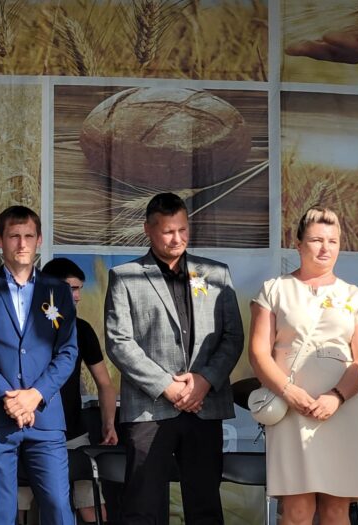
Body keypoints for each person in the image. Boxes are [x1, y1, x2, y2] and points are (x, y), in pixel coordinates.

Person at [104, 192, 244, 524]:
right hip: (150, 407)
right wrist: (167, 386)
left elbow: (232, 336)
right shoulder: (125, 276)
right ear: (148, 230)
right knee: (143, 506)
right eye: (168, 231)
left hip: (204, 405)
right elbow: (119, 342)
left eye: (183, 229)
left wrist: (205, 380)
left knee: (205, 505)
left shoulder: (216, 273)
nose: (177, 238)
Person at [248, 207, 358, 525]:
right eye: (317, 240)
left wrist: (337, 396)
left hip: (343, 408)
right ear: (298, 245)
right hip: (290, 407)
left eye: (332, 241)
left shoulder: (355, 295)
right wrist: (289, 391)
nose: (325, 248)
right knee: (296, 510)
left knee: (336, 509)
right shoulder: (274, 289)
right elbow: (258, 353)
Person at [0, 206, 78, 525]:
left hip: (45, 417)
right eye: (14, 236)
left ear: (39, 240)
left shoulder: (58, 290)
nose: (22, 244)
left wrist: (35, 395)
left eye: (28, 236)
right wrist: (7, 397)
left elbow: (67, 352)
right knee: (0, 513)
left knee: (58, 507)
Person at [18, 257, 118, 524]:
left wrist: (108, 423)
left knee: (92, 510)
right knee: (16, 508)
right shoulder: (24, 328)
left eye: (79, 289)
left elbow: (105, 384)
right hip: (25, 431)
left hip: (72, 436)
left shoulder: (81, 329)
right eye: (71, 288)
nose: (77, 296)